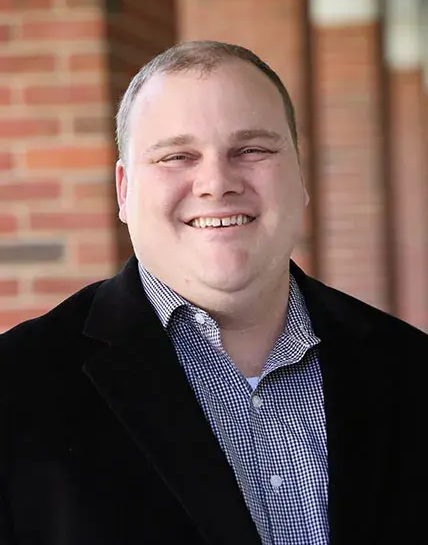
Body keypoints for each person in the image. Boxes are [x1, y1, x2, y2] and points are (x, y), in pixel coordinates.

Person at [0, 40, 426, 545]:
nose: (216, 183)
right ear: (124, 190)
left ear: (299, 175)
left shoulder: (411, 367)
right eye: (176, 156)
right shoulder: (16, 390)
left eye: (252, 150)